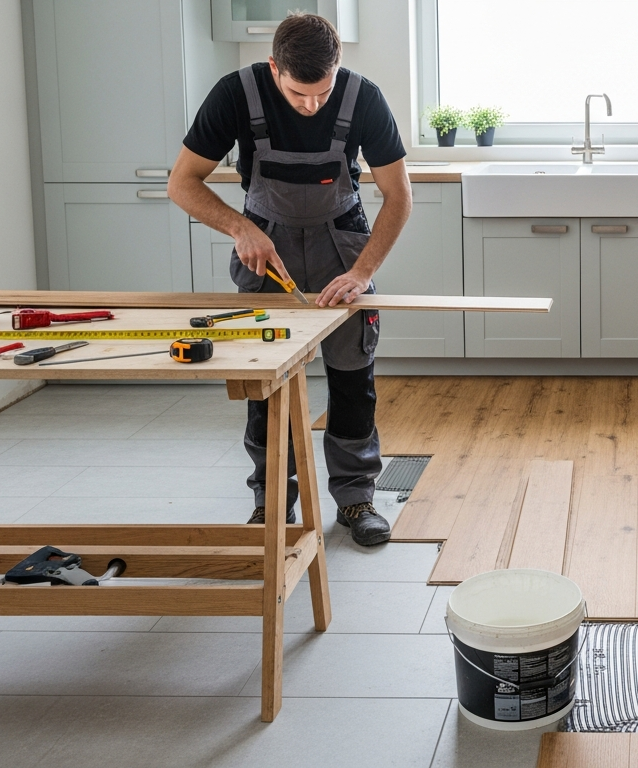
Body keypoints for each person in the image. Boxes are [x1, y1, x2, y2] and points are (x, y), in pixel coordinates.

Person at [168, 12, 412, 545]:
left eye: (321, 93)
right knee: (265, 384)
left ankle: (356, 500)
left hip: (341, 249)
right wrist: (240, 227)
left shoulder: (363, 98)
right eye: (300, 94)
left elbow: (400, 197)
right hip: (266, 253)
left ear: (338, 68)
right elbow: (182, 183)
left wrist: (362, 272)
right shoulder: (236, 94)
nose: (312, 105)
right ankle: (271, 501)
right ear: (274, 67)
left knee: (352, 379)